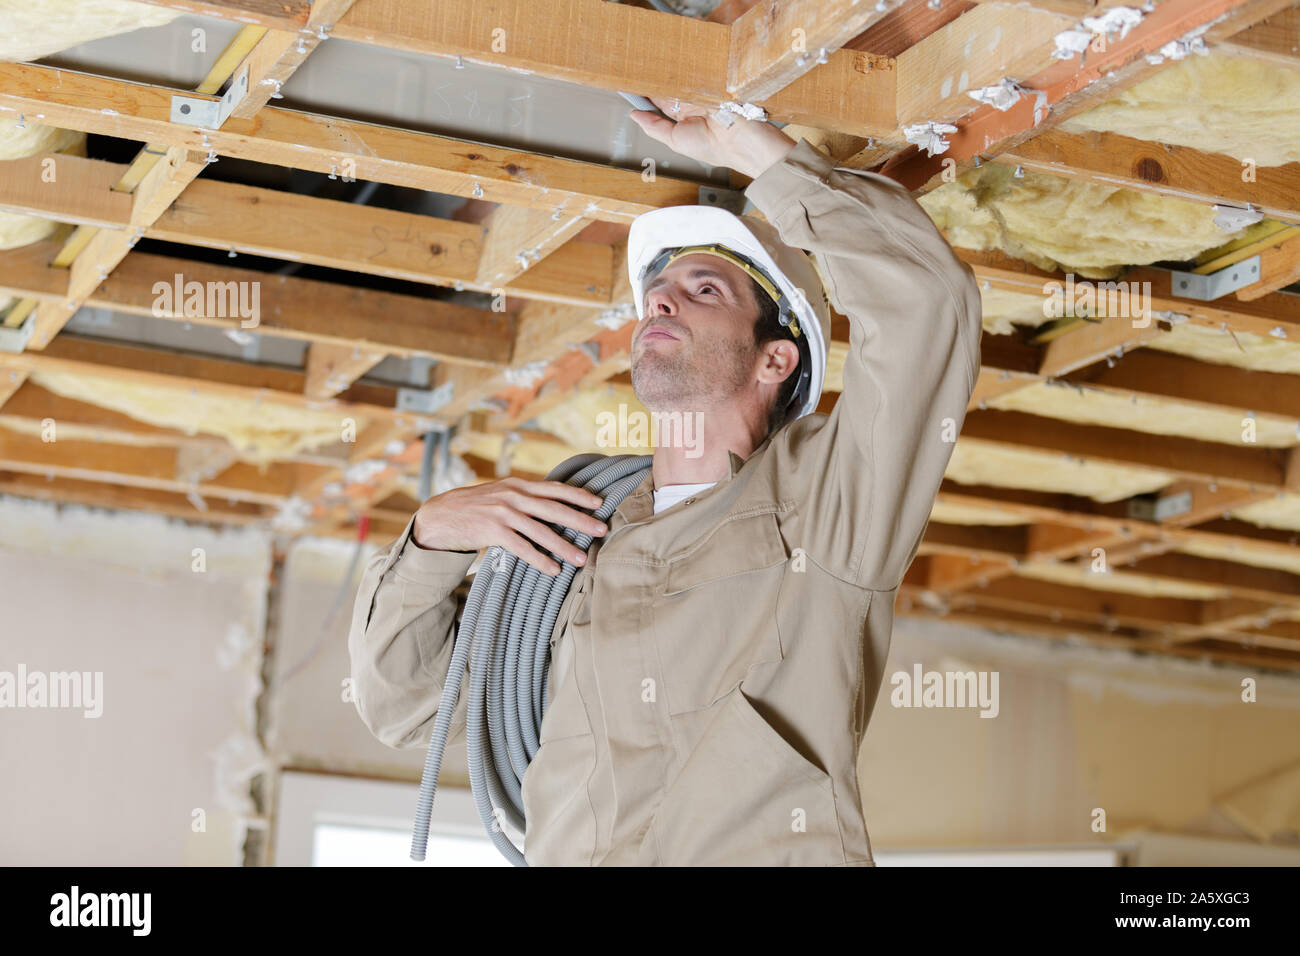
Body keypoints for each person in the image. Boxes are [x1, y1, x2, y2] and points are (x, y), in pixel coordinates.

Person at [347, 96, 981, 865]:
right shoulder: (576, 542)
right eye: (658, 292)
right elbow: (409, 710)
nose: (662, 300)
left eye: (705, 289)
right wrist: (432, 538)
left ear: (774, 359)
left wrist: (764, 156)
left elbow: (926, 305)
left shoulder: (825, 499)